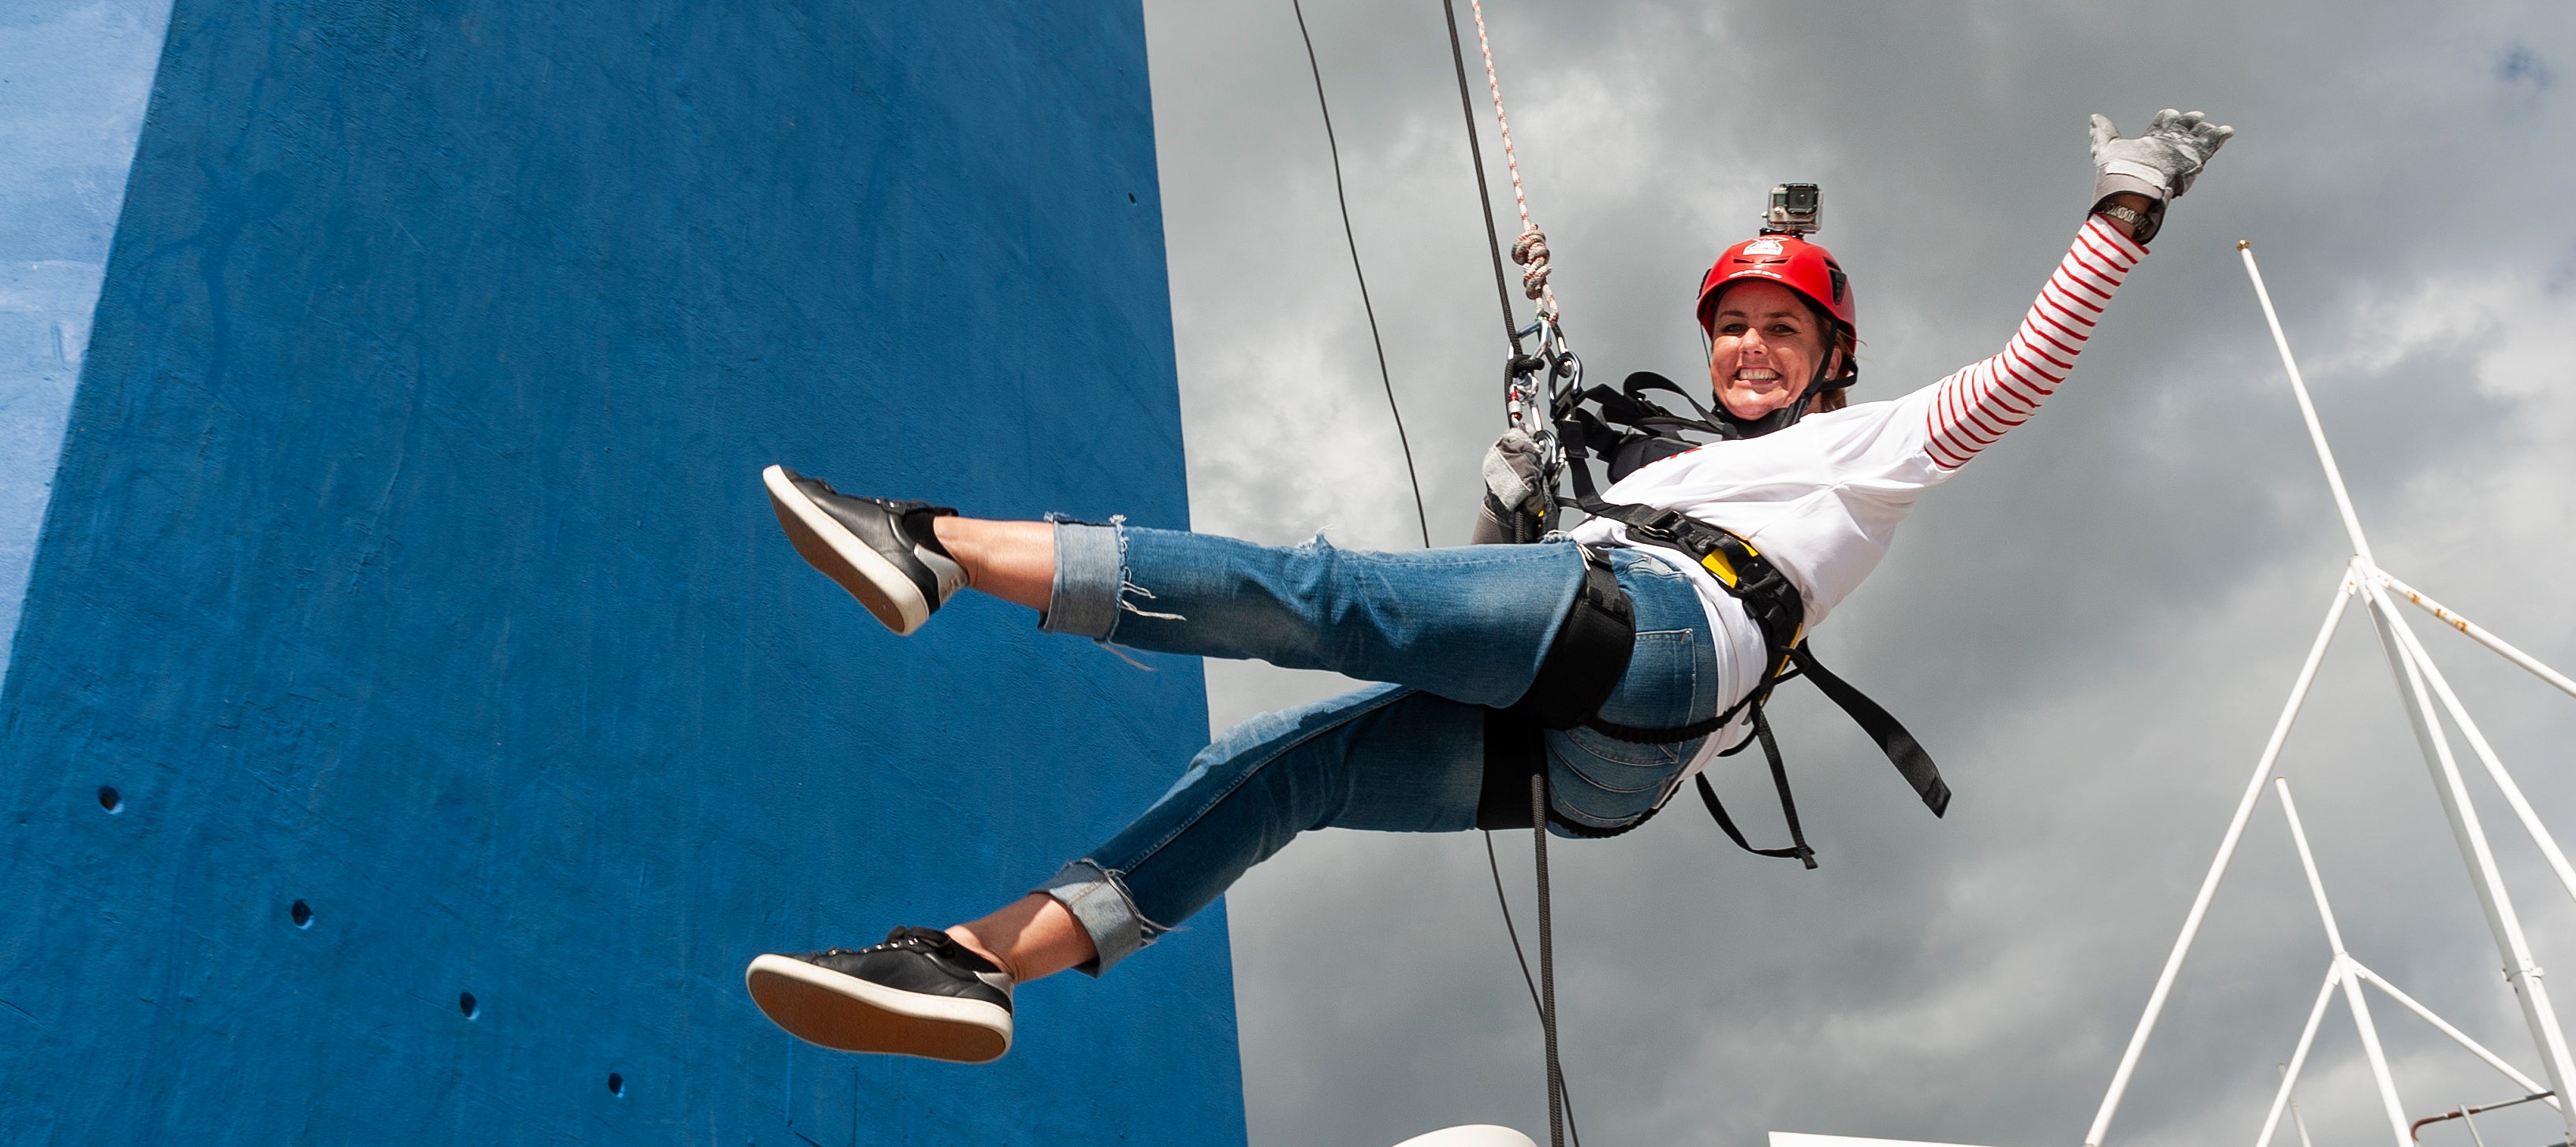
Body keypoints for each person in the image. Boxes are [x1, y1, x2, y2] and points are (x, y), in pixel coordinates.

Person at [740, 109, 2233, 1063]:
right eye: (1736, 330)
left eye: (1785, 331)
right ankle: (975, 963)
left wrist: (2122, 213)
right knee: (1269, 771)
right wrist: (1522, 481)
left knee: (1335, 595)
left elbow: (2019, 379)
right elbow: (1493, 594)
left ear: (1836, 358)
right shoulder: (1661, 469)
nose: (1753, 350)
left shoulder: (1871, 444)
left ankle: (938, 542)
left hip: (1661, 644)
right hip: (1598, 755)